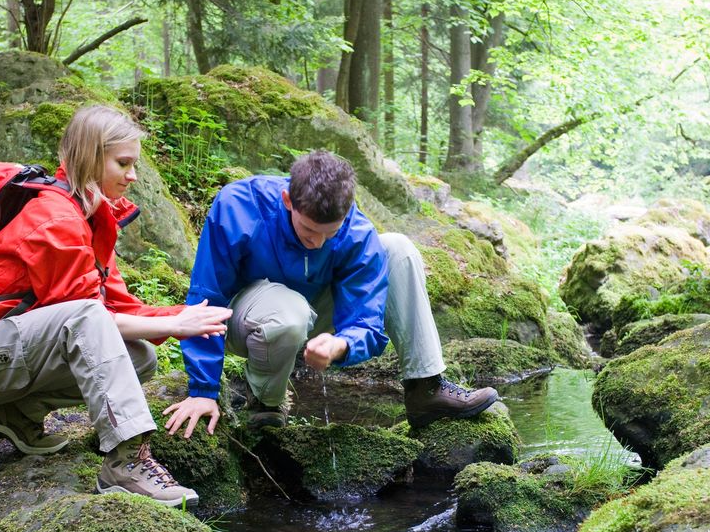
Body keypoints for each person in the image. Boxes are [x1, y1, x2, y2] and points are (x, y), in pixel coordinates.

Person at [0, 104, 230, 509]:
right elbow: (86, 315)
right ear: (91, 157)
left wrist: (179, 318)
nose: (133, 176)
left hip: (9, 355)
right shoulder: (54, 217)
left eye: (134, 164)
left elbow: (117, 306)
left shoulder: (90, 217)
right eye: (123, 163)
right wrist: (179, 323)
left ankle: (16, 413)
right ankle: (126, 461)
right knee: (89, 318)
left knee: (139, 355)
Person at [162, 150, 499, 438]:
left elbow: (367, 319)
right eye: (308, 230)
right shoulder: (239, 206)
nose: (317, 243)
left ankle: (426, 388)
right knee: (287, 312)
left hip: (315, 315)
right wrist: (203, 390)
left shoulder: (356, 231)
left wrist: (343, 344)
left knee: (397, 248)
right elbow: (207, 298)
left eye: (330, 233)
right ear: (287, 200)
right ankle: (266, 399)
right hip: (248, 320)